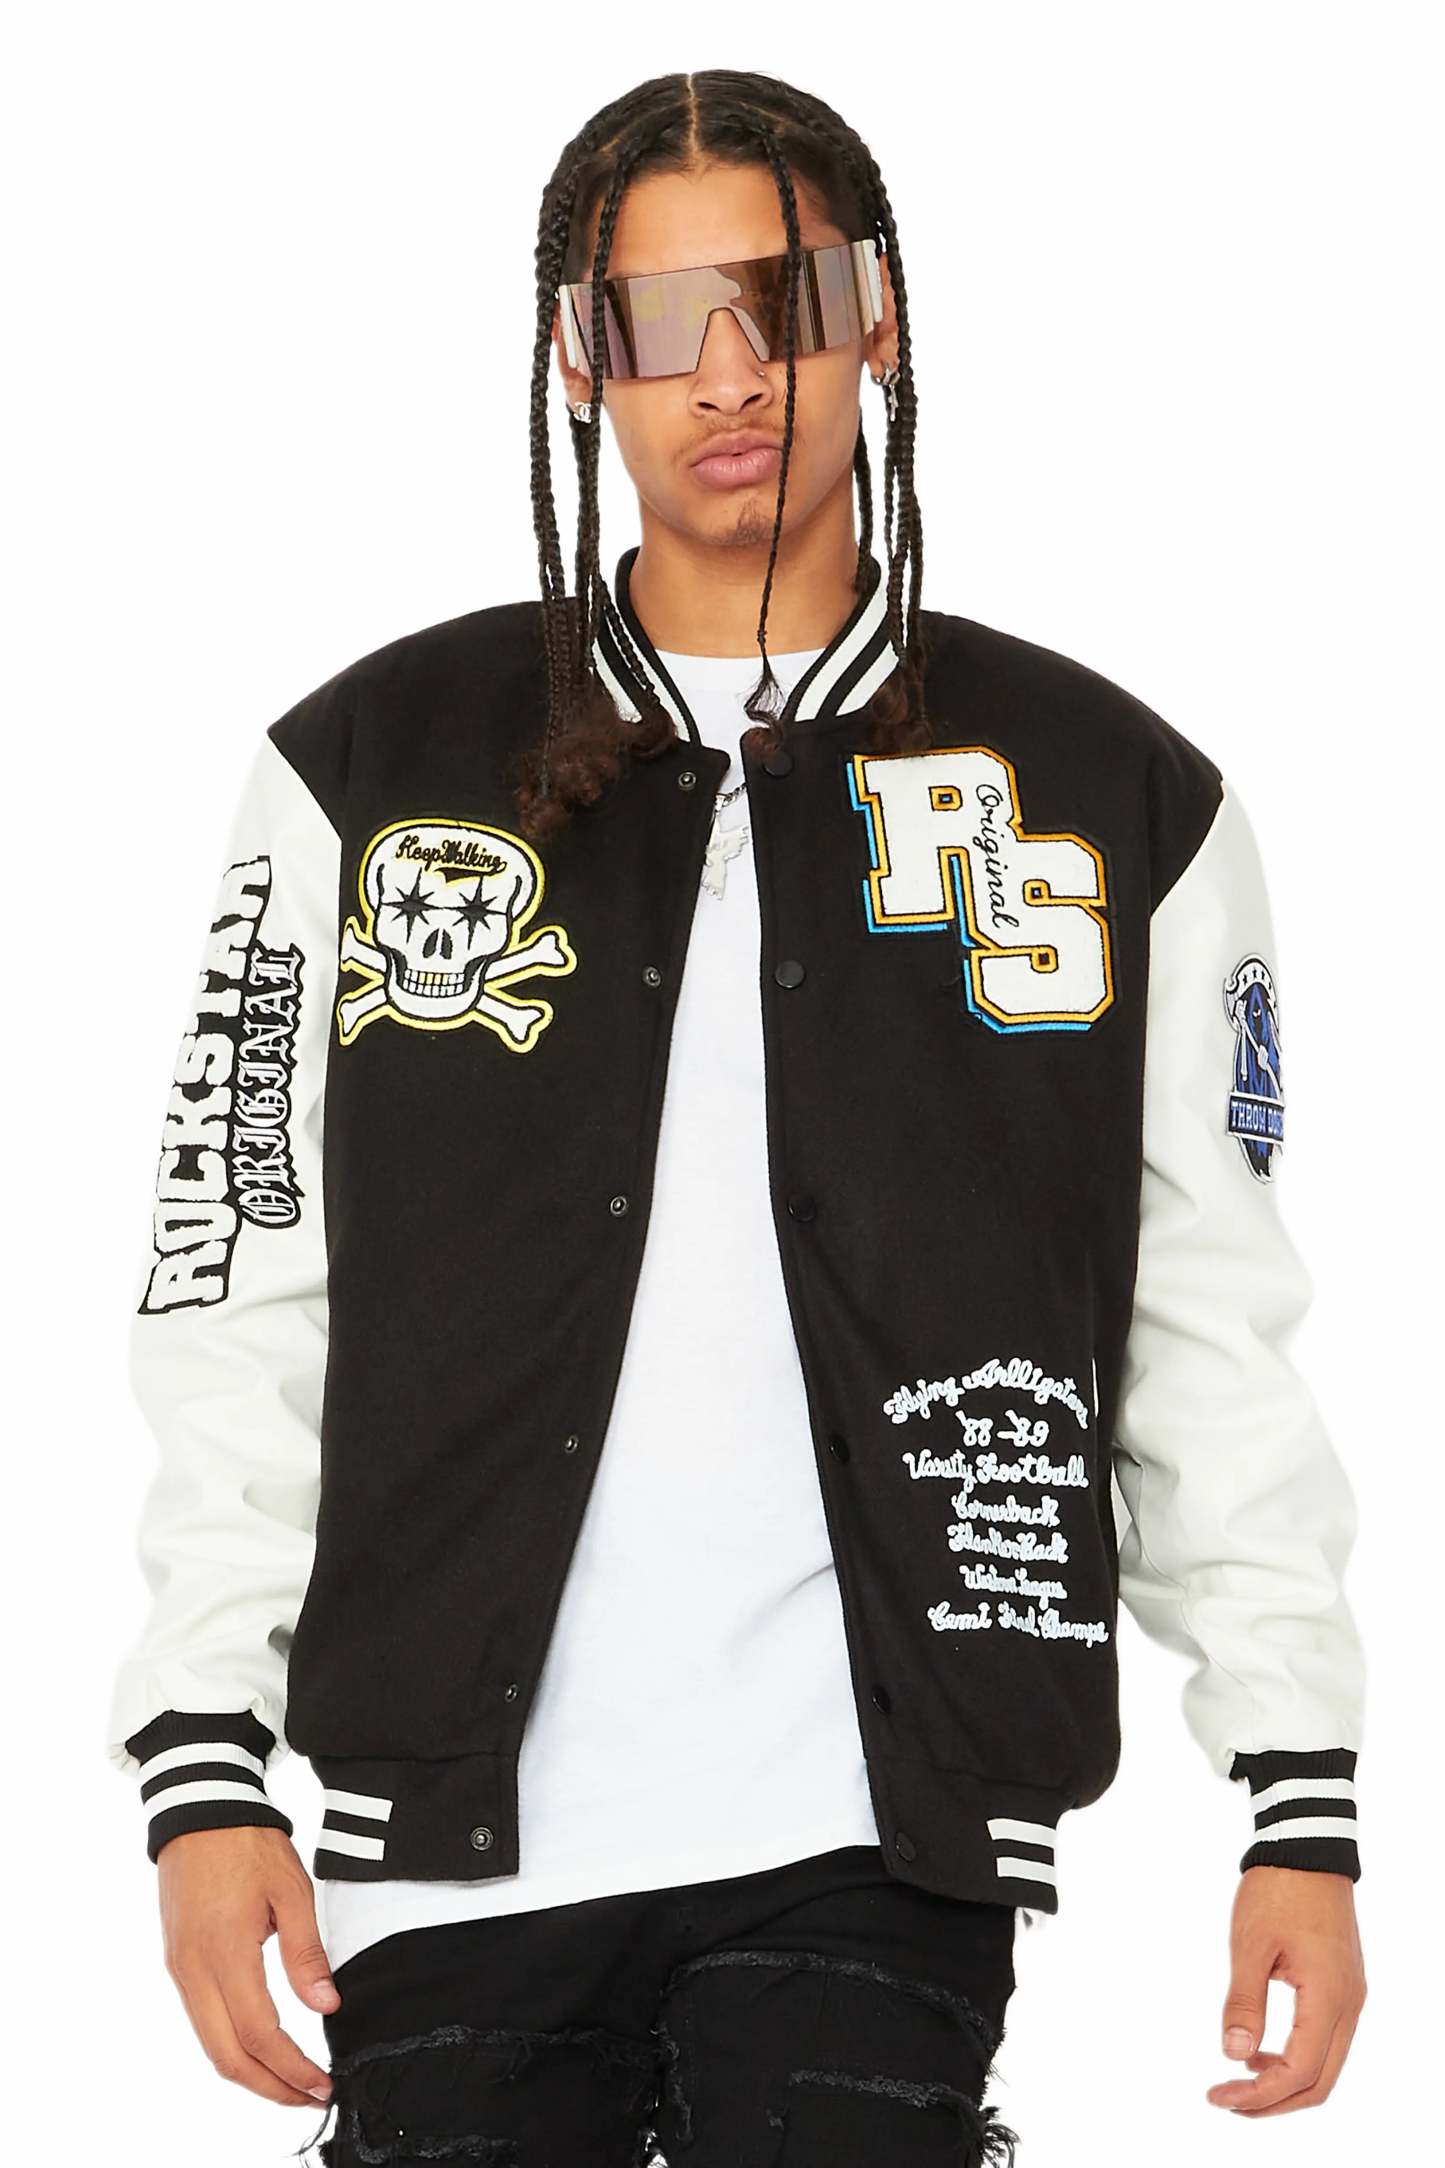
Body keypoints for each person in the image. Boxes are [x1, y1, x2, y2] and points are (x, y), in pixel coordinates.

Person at [106, 69, 1367, 2167]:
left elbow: (1206, 1324)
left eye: (781, 300)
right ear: (573, 355)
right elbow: (242, 1279)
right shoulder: (370, 768)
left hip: (878, 1818)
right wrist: (201, 1762)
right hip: (447, 1831)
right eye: (653, 316)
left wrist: (1296, 1797)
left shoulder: (1111, 799)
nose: (726, 372)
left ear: (879, 318)